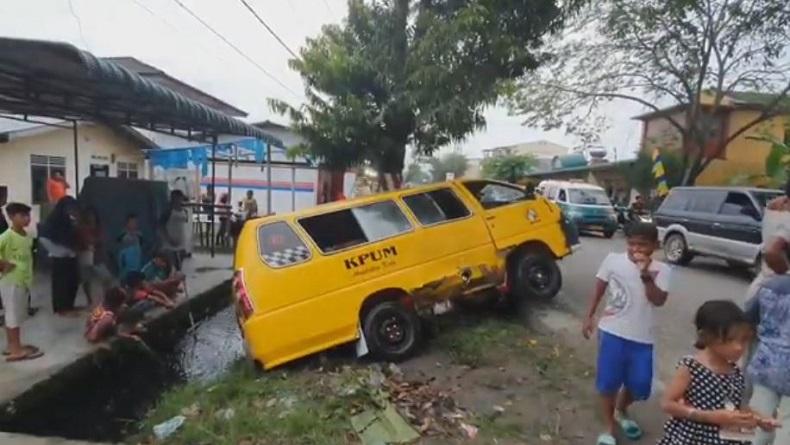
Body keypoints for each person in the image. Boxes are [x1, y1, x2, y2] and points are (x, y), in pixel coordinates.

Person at [582, 222, 671, 445]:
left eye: (642, 244)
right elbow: (599, 288)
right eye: (631, 243)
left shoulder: (662, 270)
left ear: (655, 245)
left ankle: (621, 409)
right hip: (612, 331)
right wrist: (589, 315)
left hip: (642, 337)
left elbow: (658, 300)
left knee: (640, 385)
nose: (635, 249)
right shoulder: (613, 260)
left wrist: (645, 274)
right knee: (608, 382)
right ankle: (609, 427)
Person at [658, 300, 779, 444]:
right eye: (730, 340)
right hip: (693, 438)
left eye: (743, 340)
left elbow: (738, 406)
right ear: (706, 336)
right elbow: (667, 403)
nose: (739, 347)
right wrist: (707, 416)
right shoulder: (691, 367)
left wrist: (759, 419)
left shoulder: (736, 372)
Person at [744, 275, 790, 445]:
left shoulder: (770, 285)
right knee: (786, 426)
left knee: (759, 419)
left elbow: (749, 319)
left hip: (766, 362)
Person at [0, 203, 43, 361]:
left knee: (16, 315)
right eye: (22, 215)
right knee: (12, 316)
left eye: (28, 216)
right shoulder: (7, 236)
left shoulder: (27, 236)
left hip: (22, 281)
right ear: (11, 217)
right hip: (11, 281)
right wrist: (3, 264)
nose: (27, 219)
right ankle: (16, 350)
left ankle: (13, 345)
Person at [39, 196, 81, 316]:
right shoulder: (54, 220)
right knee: (62, 283)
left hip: (70, 255)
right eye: (69, 207)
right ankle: (62, 309)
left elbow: (70, 237)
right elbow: (44, 238)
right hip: (60, 257)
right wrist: (58, 251)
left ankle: (69, 306)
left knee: (72, 281)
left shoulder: (68, 220)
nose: (71, 210)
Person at [159, 190, 190, 271]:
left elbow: (185, 226)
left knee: (179, 267)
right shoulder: (168, 211)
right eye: (176, 198)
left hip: (181, 242)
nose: (179, 200)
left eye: (180, 198)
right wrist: (168, 238)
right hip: (169, 244)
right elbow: (161, 226)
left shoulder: (184, 211)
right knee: (171, 267)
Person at [117, 213, 143, 282]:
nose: (133, 224)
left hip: (136, 265)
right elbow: (120, 244)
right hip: (126, 265)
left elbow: (141, 246)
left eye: (135, 222)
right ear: (127, 223)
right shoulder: (123, 234)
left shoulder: (139, 235)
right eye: (131, 222)